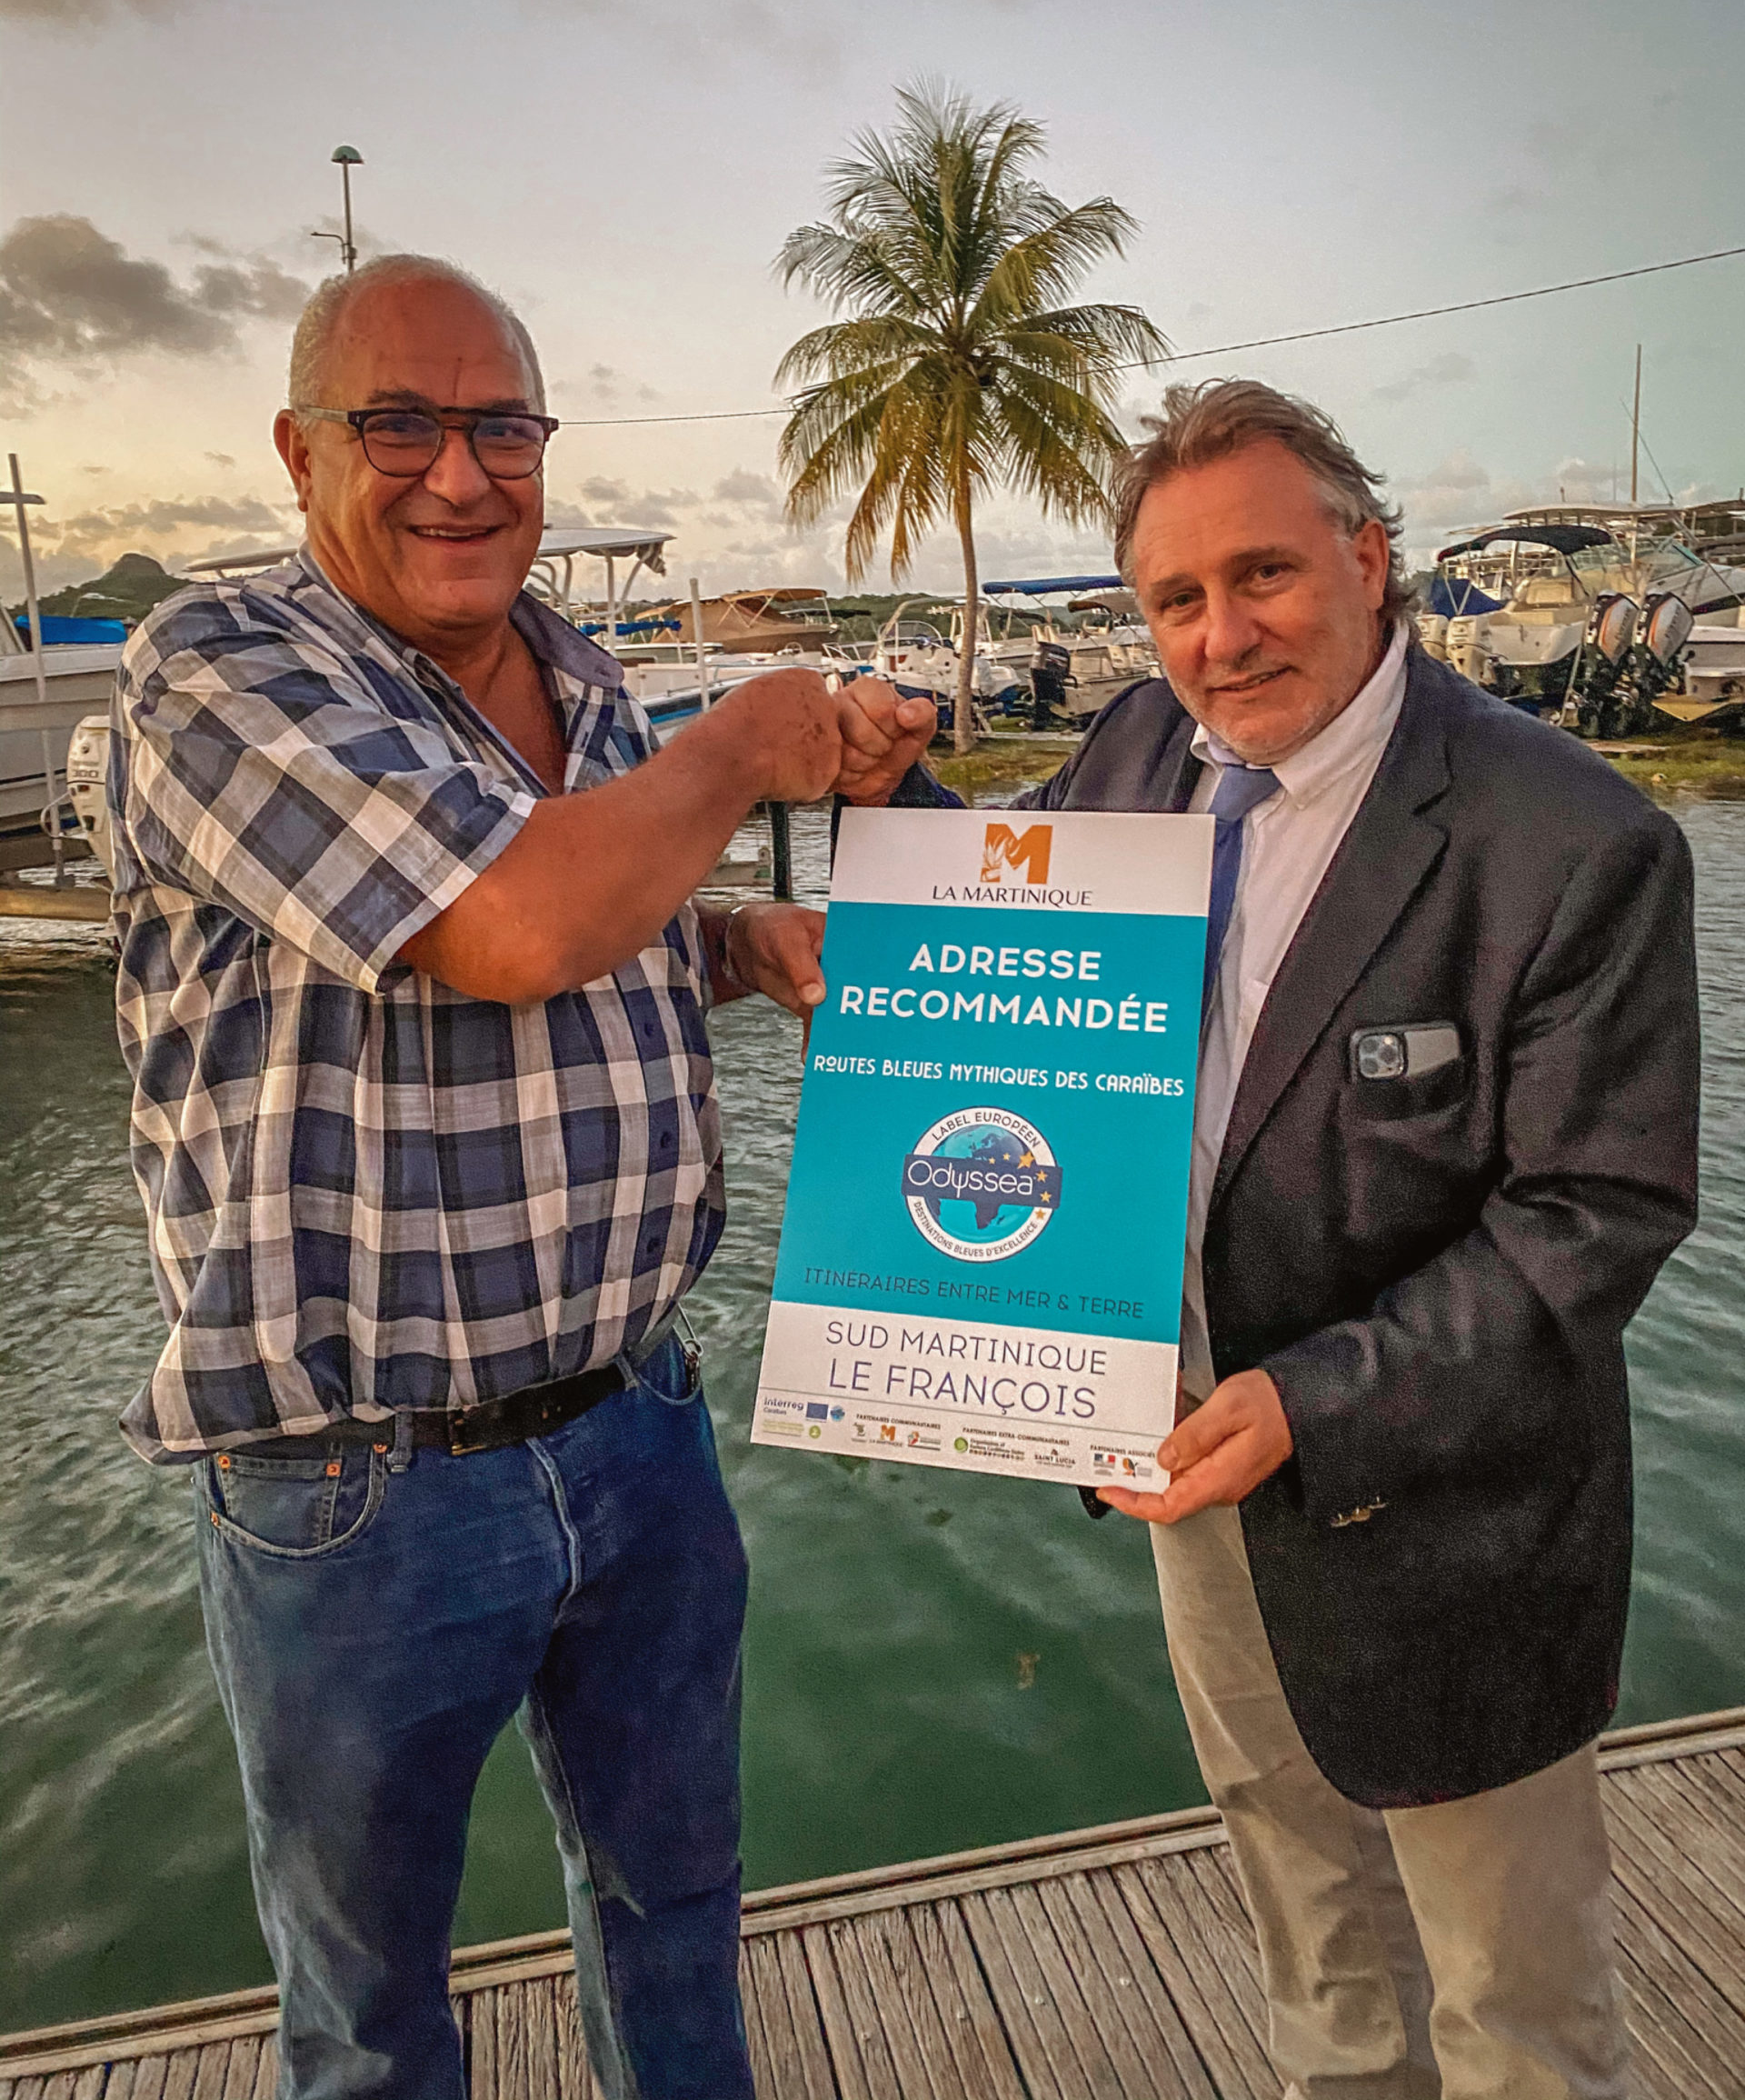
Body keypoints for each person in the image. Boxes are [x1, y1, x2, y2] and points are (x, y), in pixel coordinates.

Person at [833, 377, 1700, 2100]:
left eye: (1264, 576)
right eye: (1174, 599)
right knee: (1313, 1939)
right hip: (1183, 1449)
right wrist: (902, 790)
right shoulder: (1144, 754)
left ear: (1371, 560)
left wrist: (1315, 1401)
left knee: (1517, 2007)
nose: (1219, 639)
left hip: (1454, 1524)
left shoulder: (1578, 842)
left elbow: (1594, 1218)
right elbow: (1026, 949)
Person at [109, 253, 846, 2100]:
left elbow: (605, 922)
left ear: (544, 443)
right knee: (370, 2008)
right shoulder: (220, 668)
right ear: (299, 451)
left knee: (679, 1897)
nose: (460, 473)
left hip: (641, 1422)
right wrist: (749, 740)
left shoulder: (590, 683)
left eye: (498, 424)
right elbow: (512, 920)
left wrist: (740, 937)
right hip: (361, 1484)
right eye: (401, 425)